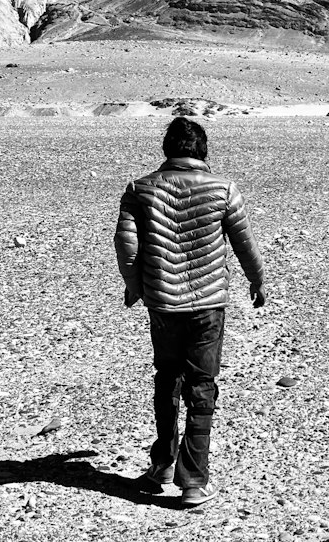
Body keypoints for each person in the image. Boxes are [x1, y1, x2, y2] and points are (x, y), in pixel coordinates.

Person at [114, 117, 266, 506]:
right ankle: (194, 481)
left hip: (163, 301)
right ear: (202, 151)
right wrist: (257, 280)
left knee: (166, 377)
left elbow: (126, 246)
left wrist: (136, 287)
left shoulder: (140, 189)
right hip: (209, 303)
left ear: (167, 149)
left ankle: (162, 464)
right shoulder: (224, 189)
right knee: (201, 385)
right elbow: (244, 241)